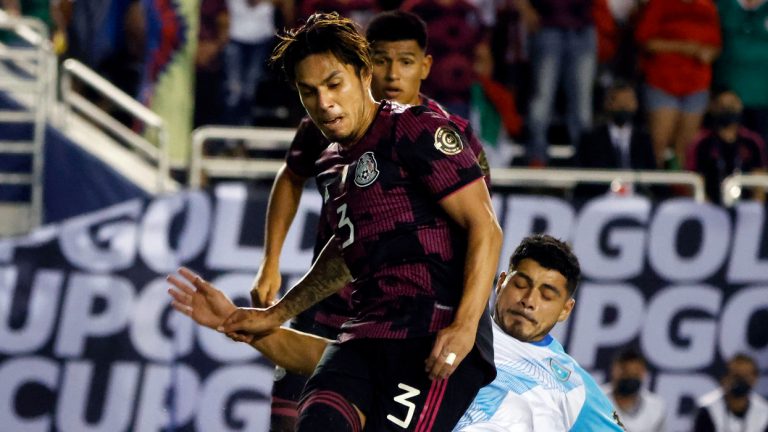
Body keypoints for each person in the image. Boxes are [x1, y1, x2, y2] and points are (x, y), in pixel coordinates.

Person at [214, 12, 503, 432]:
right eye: (308, 92)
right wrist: (276, 312)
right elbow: (350, 249)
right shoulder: (329, 155)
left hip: (431, 335)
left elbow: (486, 227)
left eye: (334, 84)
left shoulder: (420, 129)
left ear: (362, 73)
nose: (324, 102)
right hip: (363, 334)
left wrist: (463, 326)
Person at [167, 234, 626, 431]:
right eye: (522, 283)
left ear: (566, 310)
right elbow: (333, 360)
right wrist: (238, 323)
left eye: (547, 293)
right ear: (500, 282)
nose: (529, 299)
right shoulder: (444, 325)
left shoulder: (572, 386)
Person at [634, 0, 721, 169]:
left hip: (697, 84)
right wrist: (687, 48)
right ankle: (656, 187)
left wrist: (709, 53)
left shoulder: (706, 7)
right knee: (658, 144)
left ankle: (680, 189)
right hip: (662, 82)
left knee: (687, 148)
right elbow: (645, 41)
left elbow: (716, 44)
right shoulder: (660, 4)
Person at [686, 90, 767, 204]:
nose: (727, 109)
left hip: (746, 207)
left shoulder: (752, 141)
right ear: (713, 108)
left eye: (732, 104)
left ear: (740, 106)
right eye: (722, 106)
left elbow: (759, 182)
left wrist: (755, 210)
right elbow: (694, 182)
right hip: (710, 207)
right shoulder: (701, 142)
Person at [577, 81, 655, 171]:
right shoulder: (590, 139)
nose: (623, 106)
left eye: (627, 101)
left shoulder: (644, 139)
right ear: (606, 103)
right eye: (618, 101)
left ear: (636, 104)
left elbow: (653, 173)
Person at [692, 353, 768, 432]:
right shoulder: (708, 408)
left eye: (746, 376)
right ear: (725, 377)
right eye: (736, 376)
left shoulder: (764, 411)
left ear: (755, 379)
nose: (741, 380)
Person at [602, 348, 666, 432]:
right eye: (625, 371)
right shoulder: (597, 399)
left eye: (635, 372)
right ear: (614, 370)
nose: (630, 376)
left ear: (643, 372)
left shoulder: (656, 407)